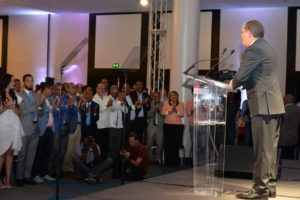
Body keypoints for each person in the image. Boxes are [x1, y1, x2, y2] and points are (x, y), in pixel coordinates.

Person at [230, 20, 285, 199]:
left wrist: (231, 84)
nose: (241, 36)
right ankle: (269, 187)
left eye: (241, 32)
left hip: (263, 106)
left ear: (249, 33)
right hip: (271, 105)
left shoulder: (254, 49)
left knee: (262, 150)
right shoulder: (265, 46)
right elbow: (255, 75)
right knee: (269, 150)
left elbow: (241, 76)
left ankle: (260, 189)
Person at [0, 73, 25, 189]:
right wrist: (6, 107)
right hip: (3, 125)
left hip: (14, 125)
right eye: (12, 80)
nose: (13, 82)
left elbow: (19, 112)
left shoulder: (14, 94)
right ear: (6, 81)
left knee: (10, 153)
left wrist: (12, 108)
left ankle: (8, 180)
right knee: (2, 153)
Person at [15, 74, 40, 186]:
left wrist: (41, 108)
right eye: (28, 81)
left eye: (32, 81)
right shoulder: (19, 95)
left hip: (35, 127)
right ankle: (19, 178)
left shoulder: (35, 95)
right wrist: (33, 107)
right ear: (24, 82)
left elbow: (40, 112)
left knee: (31, 154)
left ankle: (27, 176)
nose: (30, 83)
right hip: (25, 127)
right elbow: (20, 113)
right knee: (22, 154)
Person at [161, 91, 184, 167]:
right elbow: (162, 113)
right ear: (169, 97)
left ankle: (175, 161)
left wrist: (176, 110)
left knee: (176, 143)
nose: (173, 97)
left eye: (175, 95)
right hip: (167, 125)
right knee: (168, 143)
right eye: (172, 95)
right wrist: (169, 111)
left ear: (177, 96)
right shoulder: (165, 103)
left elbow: (182, 114)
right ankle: (168, 161)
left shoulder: (181, 104)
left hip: (177, 126)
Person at [278, 94, 300, 159]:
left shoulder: (281, 111)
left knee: (280, 159)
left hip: (282, 140)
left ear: (286, 100)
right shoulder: (298, 110)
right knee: (290, 160)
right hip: (293, 140)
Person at [147, 91, 164, 165]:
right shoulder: (150, 104)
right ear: (153, 97)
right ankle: (148, 159)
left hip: (160, 126)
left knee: (160, 144)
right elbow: (147, 115)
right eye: (155, 96)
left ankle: (158, 159)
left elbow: (165, 115)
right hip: (151, 126)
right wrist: (153, 111)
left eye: (157, 96)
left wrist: (159, 111)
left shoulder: (164, 104)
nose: (156, 97)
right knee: (149, 143)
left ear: (160, 96)